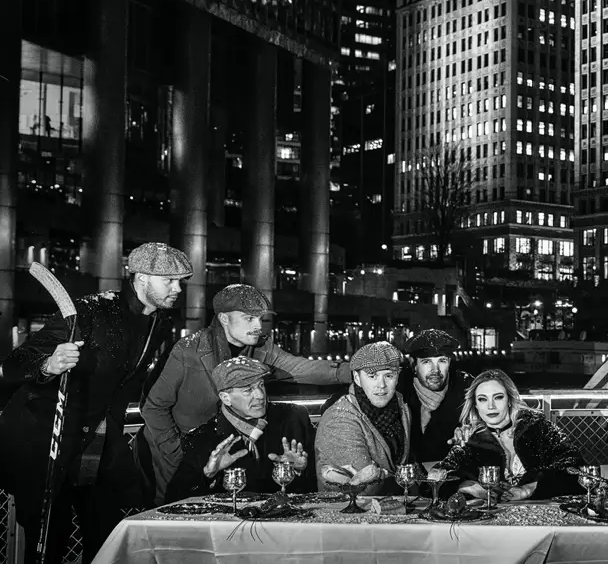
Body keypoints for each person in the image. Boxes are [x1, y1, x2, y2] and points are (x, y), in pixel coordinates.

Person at [0, 242, 192, 564]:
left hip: (98, 444)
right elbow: (14, 364)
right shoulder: (90, 310)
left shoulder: (160, 323)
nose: (178, 288)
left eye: (181, 281)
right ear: (142, 277)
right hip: (47, 441)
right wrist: (50, 364)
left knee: (106, 538)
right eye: (169, 280)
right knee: (49, 544)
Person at [140, 282, 351, 503]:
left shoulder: (262, 348)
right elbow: (153, 407)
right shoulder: (187, 351)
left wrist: (355, 371)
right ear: (224, 319)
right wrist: (177, 452)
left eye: (261, 318)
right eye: (249, 318)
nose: (258, 325)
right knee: (176, 514)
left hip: (231, 452)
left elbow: (303, 369)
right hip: (181, 452)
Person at [164, 356, 315, 502]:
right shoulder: (203, 438)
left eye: (261, 385)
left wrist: (299, 470)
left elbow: (320, 484)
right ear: (225, 398)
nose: (260, 395)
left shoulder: (294, 418)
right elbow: (174, 498)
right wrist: (208, 474)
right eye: (248, 390)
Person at [434, 370, 585, 502]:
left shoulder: (538, 429)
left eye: (498, 397)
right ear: (475, 405)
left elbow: (577, 468)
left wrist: (528, 489)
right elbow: (434, 480)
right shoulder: (470, 441)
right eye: (482, 399)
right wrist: (470, 487)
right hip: (492, 526)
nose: (490, 406)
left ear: (510, 401)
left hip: (544, 521)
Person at [315, 341, 411, 496]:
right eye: (372, 376)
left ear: (398, 377)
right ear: (357, 378)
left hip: (389, 510)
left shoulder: (400, 406)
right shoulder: (339, 419)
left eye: (389, 376)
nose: (381, 385)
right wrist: (412, 479)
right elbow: (366, 486)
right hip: (345, 513)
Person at [400, 329, 467, 464]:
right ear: (414, 364)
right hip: (406, 480)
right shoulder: (397, 392)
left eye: (442, 361)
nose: (435, 370)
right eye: (426, 362)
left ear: (449, 362)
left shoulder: (468, 392)